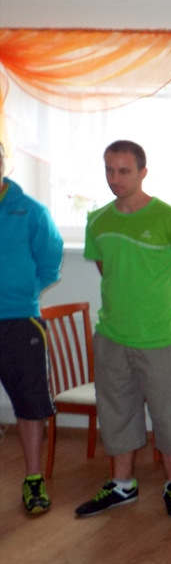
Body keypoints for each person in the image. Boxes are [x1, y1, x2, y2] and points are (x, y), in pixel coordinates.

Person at [76, 140, 171, 519]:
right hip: (112, 336)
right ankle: (122, 486)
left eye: (124, 171)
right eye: (109, 170)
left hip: (160, 339)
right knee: (116, 413)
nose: (115, 178)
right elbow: (108, 271)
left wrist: (168, 309)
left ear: (143, 172)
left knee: (168, 414)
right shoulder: (98, 220)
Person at [0, 141, 64, 515]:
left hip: (19, 321)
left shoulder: (31, 210)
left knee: (30, 404)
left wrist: (24, 291)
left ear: (3, 163)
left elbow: (50, 260)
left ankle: (33, 480)